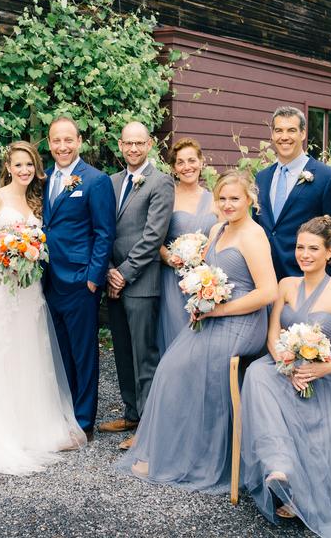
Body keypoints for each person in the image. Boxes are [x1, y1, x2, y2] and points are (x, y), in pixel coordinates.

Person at [118, 170, 277, 491]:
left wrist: (220, 309)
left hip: (244, 320)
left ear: (249, 200)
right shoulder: (218, 229)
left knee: (194, 366)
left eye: (235, 198)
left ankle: (203, 458)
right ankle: (172, 452)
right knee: (170, 368)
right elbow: (206, 272)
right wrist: (202, 297)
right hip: (215, 315)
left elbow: (267, 293)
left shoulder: (253, 235)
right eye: (223, 198)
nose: (228, 204)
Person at [0, 141, 86, 476]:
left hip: (29, 286)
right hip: (1, 283)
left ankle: (34, 424)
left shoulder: (36, 200)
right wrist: (3, 258)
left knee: (30, 348)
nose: (24, 170)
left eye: (29, 164)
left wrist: (26, 255)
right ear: (9, 166)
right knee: (2, 348)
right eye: (18, 165)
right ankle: (2, 426)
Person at [240, 216, 331, 537]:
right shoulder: (286, 285)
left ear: (330, 251)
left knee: (283, 389)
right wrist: (286, 365)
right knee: (257, 371)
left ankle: (303, 489)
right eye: (300, 247)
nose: (305, 254)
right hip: (286, 369)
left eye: (313, 248)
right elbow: (272, 336)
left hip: (326, 376)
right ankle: (279, 464)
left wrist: (321, 368)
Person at [100, 122, 174, 448]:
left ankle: (147, 427)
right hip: (113, 279)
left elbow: (153, 236)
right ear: (120, 144)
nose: (133, 149)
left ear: (149, 145)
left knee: (144, 355)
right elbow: (103, 230)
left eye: (139, 143)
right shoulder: (112, 182)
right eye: (127, 143)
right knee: (122, 353)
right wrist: (109, 271)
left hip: (141, 281)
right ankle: (131, 412)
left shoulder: (161, 182)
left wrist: (124, 273)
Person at [42, 117, 116, 438]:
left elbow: (104, 233)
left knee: (84, 352)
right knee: (60, 351)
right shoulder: (42, 179)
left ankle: (83, 421)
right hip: (48, 279)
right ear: (49, 143)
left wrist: (93, 278)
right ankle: (65, 412)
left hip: (79, 280)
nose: (62, 146)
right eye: (56, 141)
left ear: (79, 141)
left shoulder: (95, 180)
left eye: (68, 140)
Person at [254, 106, 331, 279]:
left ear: (303, 134)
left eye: (291, 130)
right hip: (264, 278)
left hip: (304, 278)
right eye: (279, 130)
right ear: (272, 135)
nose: (284, 137)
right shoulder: (262, 177)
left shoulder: (328, 178)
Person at [157, 138, 219, 354]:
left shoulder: (215, 199)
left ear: (201, 162)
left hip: (206, 282)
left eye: (192, 160)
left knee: (203, 343)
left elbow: (223, 236)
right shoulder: (167, 197)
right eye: (180, 162)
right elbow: (155, 238)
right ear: (174, 168)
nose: (187, 167)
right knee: (177, 341)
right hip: (173, 280)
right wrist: (169, 258)